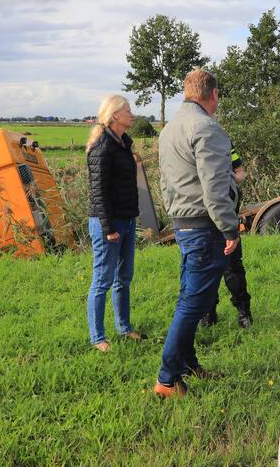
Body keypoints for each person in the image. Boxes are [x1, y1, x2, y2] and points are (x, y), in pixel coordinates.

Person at [154, 69, 240, 399]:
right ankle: (166, 379)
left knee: (193, 296)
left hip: (183, 222)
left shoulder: (169, 130)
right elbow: (215, 187)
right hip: (205, 225)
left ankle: (188, 363)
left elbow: (165, 182)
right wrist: (229, 227)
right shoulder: (207, 128)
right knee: (193, 303)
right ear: (213, 94)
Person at [85, 94, 142, 352]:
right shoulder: (103, 147)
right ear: (115, 115)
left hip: (126, 219)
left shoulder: (122, 143)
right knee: (102, 280)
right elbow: (99, 192)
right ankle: (97, 337)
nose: (133, 114)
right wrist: (108, 229)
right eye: (128, 110)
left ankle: (124, 327)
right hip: (107, 222)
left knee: (124, 277)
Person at [201, 145, 252, 329]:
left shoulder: (223, 142)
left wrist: (229, 180)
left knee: (233, 268)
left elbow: (240, 173)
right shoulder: (190, 142)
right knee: (206, 269)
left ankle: (244, 312)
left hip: (226, 213)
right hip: (201, 216)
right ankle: (208, 314)